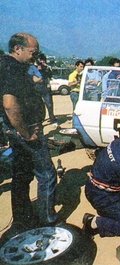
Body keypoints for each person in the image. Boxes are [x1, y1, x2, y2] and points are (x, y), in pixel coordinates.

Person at [0, 33, 58, 232]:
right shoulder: (11, 69)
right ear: (18, 49)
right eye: (33, 51)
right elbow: (9, 105)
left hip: (17, 130)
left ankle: (23, 218)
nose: (36, 55)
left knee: (22, 174)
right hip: (26, 131)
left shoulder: (11, 67)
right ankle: (47, 220)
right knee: (47, 174)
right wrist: (26, 133)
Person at [35, 53, 57, 126]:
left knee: (49, 104)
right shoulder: (34, 67)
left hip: (45, 87)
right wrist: (37, 69)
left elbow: (50, 76)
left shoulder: (47, 67)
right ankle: (39, 120)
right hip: (36, 87)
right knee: (38, 105)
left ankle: (52, 118)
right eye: (40, 60)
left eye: (43, 60)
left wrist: (46, 68)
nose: (41, 62)